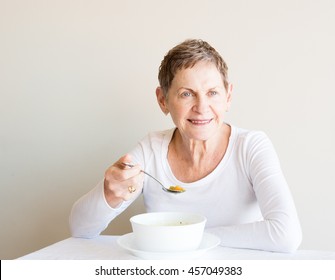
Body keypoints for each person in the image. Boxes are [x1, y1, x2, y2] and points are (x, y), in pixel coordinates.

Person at [69, 39, 302, 253]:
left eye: (212, 92)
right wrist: (110, 194)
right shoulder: (152, 149)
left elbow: (287, 234)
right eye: (186, 94)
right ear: (163, 100)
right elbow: (80, 229)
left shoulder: (251, 146)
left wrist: (183, 237)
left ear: (228, 97)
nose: (202, 107)